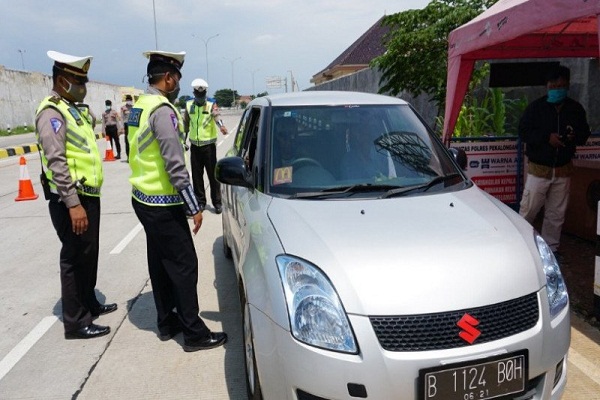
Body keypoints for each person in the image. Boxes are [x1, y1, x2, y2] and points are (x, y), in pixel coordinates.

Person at [127, 50, 227, 352]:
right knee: (184, 265)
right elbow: (174, 164)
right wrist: (193, 206)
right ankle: (193, 333)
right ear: (168, 78)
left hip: (142, 198)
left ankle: (166, 321)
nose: (178, 85)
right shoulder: (162, 111)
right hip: (163, 202)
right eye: (177, 79)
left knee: (159, 262)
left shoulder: (139, 107)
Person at [35, 50, 117, 340]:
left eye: (84, 81)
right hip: (70, 198)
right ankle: (76, 321)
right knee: (73, 256)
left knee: (88, 253)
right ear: (61, 80)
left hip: (87, 194)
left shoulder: (73, 109)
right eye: (77, 80)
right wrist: (73, 203)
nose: (83, 86)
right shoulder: (52, 113)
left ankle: (89, 302)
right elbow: (56, 161)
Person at [518, 65, 591, 257]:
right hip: (539, 170)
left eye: (561, 85)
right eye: (553, 85)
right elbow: (523, 132)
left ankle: (551, 249)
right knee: (529, 210)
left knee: (556, 214)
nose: (557, 89)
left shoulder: (575, 109)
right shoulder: (536, 108)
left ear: (568, 86)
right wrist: (546, 137)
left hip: (563, 170)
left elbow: (584, 134)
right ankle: (521, 247)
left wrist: (574, 136)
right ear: (547, 86)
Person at [183, 78, 228, 214]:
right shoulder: (189, 104)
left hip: (208, 146)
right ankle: (200, 202)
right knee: (197, 176)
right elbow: (185, 123)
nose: (200, 97)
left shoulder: (211, 103)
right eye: (198, 95)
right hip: (195, 146)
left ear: (205, 93)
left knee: (212, 175)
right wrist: (183, 140)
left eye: (202, 95)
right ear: (194, 93)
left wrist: (222, 127)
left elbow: (216, 116)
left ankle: (217, 202)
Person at [120, 94, 134, 161]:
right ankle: (128, 157)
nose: (128, 101)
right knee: (127, 141)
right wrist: (122, 127)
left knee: (133, 141)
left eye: (130, 100)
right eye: (127, 100)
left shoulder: (134, 107)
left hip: (133, 126)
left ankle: (134, 156)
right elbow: (122, 118)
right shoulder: (123, 108)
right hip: (126, 125)